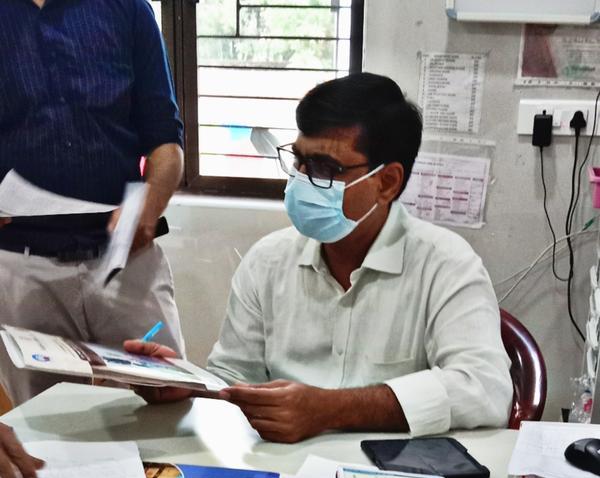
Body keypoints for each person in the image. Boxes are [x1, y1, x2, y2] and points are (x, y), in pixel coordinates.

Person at [126, 72, 513, 444]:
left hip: (396, 474)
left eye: (326, 168)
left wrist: (330, 410)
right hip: (283, 470)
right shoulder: (266, 262)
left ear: (387, 182)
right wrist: (188, 387)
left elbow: (485, 388)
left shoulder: (446, 265)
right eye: (298, 159)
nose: (301, 178)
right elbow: (234, 377)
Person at [0, 0, 185, 408]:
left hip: (127, 257)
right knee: (43, 420)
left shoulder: (127, 9)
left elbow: (166, 139)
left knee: (168, 402)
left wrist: (150, 205)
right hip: (19, 267)